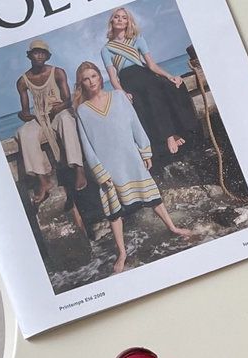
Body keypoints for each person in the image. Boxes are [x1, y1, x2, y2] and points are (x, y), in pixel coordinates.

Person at [73, 62, 196, 274]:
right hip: (108, 166)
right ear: (81, 83)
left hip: (130, 157)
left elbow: (135, 124)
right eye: (86, 78)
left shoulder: (119, 97)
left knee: (153, 196)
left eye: (93, 76)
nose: (91, 81)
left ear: (100, 77)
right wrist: (99, 171)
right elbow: (87, 146)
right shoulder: (82, 111)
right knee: (114, 212)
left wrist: (145, 150)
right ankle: (122, 252)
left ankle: (172, 227)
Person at [101, 7, 199, 165]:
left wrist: (170, 76)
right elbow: (113, 78)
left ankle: (175, 133)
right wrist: (122, 92)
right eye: (117, 17)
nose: (120, 19)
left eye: (124, 17)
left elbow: (151, 65)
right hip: (127, 80)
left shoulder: (137, 39)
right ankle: (168, 136)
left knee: (171, 87)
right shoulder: (106, 50)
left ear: (128, 22)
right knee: (143, 98)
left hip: (144, 74)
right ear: (112, 20)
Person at [15, 39, 86, 204]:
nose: (39, 56)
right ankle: (43, 180)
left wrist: (59, 107)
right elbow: (25, 111)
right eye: (36, 53)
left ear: (47, 56)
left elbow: (68, 100)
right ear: (30, 56)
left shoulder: (57, 72)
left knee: (67, 120)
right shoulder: (23, 81)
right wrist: (24, 116)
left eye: (43, 53)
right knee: (24, 132)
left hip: (58, 112)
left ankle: (79, 167)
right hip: (40, 117)